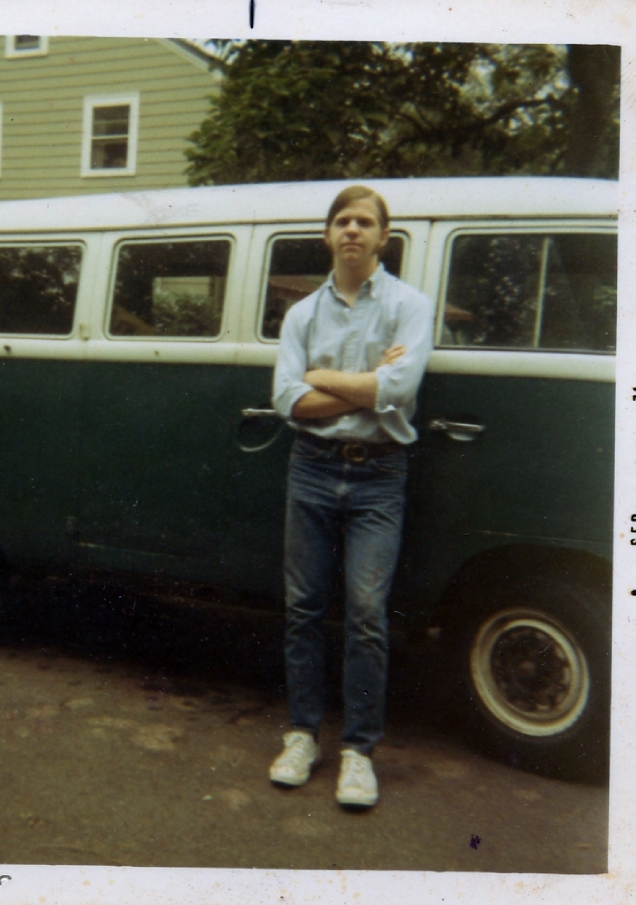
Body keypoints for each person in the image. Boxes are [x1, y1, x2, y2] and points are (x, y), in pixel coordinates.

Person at [270, 185, 434, 809]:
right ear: (328, 234)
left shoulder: (408, 305)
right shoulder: (303, 314)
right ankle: (301, 736)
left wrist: (320, 377)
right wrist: (368, 386)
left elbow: (402, 386)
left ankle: (359, 751)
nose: (353, 231)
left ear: (383, 238)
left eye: (365, 222)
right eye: (343, 221)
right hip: (311, 468)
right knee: (303, 607)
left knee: (367, 611)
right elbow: (288, 402)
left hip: (380, 475)